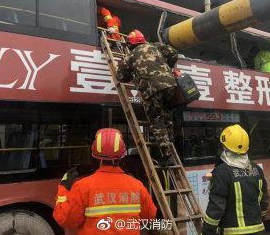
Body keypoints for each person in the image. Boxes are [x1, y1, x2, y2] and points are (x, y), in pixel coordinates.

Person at [53, 128, 157, 234]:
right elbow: (150, 216)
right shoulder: (137, 186)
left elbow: (66, 219)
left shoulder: (82, 186)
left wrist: (63, 188)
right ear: (121, 157)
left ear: (97, 158)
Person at [116, 29, 178, 164]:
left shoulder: (130, 56)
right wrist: (169, 66)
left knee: (156, 119)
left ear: (131, 44)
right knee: (166, 111)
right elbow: (173, 53)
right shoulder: (155, 46)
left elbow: (120, 77)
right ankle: (170, 138)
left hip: (151, 90)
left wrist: (132, 74)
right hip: (170, 85)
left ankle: (167, 155)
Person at [202, 124, 268, 235]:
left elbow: (216, 209)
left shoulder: (221, 171)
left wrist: (206, 232)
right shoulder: (257, 169)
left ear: (224, 146)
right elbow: (264, 201)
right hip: (259, 230)